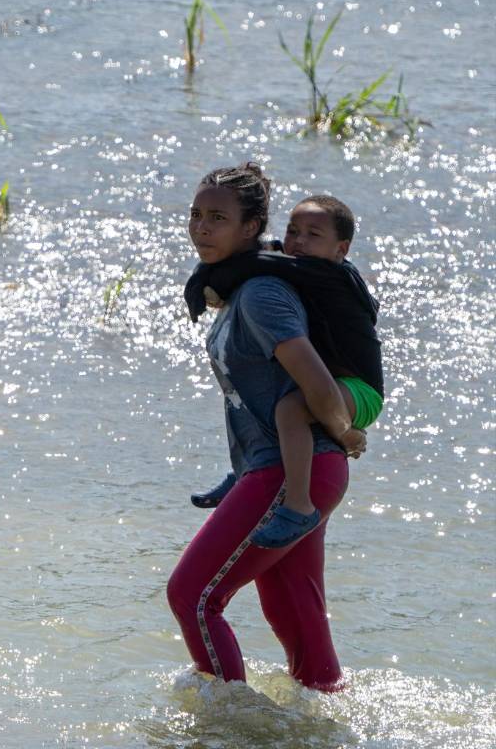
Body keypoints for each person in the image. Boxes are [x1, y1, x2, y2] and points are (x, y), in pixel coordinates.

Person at [166, 163, 367, 692]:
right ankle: (325, 715)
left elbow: (317, 384)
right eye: (196, 214)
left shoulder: (261, 295)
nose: (201, 227)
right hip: (296, 469)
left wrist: (347, 432)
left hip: (291, 471)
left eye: (218, 218)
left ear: (251, 228)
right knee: (293, 614)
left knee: (194, 596)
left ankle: (227, 723)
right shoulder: (240, 291)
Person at [186, 195, 384, 548]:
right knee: (268, 386)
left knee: (290, 409)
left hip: (360, 389)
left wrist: (204, 276)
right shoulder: (306, 265)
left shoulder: (329, 274)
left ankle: (298, 506)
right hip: (331, 380)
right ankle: (245, 469)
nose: (299, 242)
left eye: (313, 235)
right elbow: (269, 256)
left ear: (341, 249)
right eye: (293, 231)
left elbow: (257, 264)